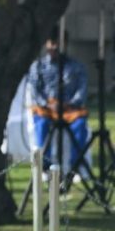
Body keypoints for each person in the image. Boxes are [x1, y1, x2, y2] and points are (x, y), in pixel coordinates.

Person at [28, 27, 89, 176]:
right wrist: (47, 103)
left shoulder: (76, 66)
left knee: (80, 125)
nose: (54, 48)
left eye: (58, 43)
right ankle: (46, 166)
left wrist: (70, 103)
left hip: (69, 108)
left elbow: (82, 89)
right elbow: (35, 90)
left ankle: (75, 166)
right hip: (47, 108)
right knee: (41, 125)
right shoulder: (38, 66)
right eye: (51, 43)